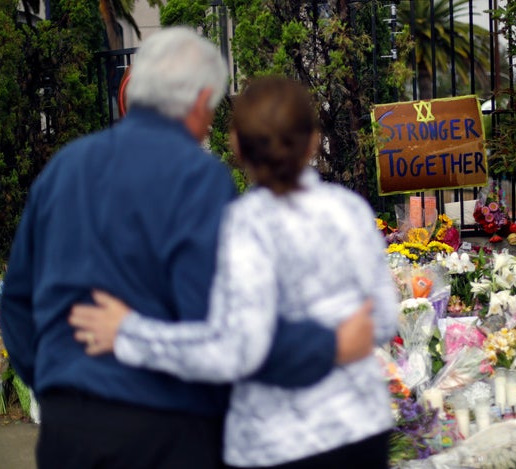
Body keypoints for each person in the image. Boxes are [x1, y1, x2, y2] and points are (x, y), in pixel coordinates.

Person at [0, 27, 374, 469]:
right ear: (199, 102)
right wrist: (327, 344)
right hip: (166, 432)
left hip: (69, 431)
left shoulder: (64, 169)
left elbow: (17, 304)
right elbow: (226, 325)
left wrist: (56, 383)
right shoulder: (198, 178)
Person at [69, 76, 399, 469]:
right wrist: (335, 342)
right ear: (312, 141)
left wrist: (128, 332)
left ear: (237, 146)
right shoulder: (351, 211)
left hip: (276, 443)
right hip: (361, 428)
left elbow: (234, 349)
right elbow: (382, 320)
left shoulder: (239, 228)